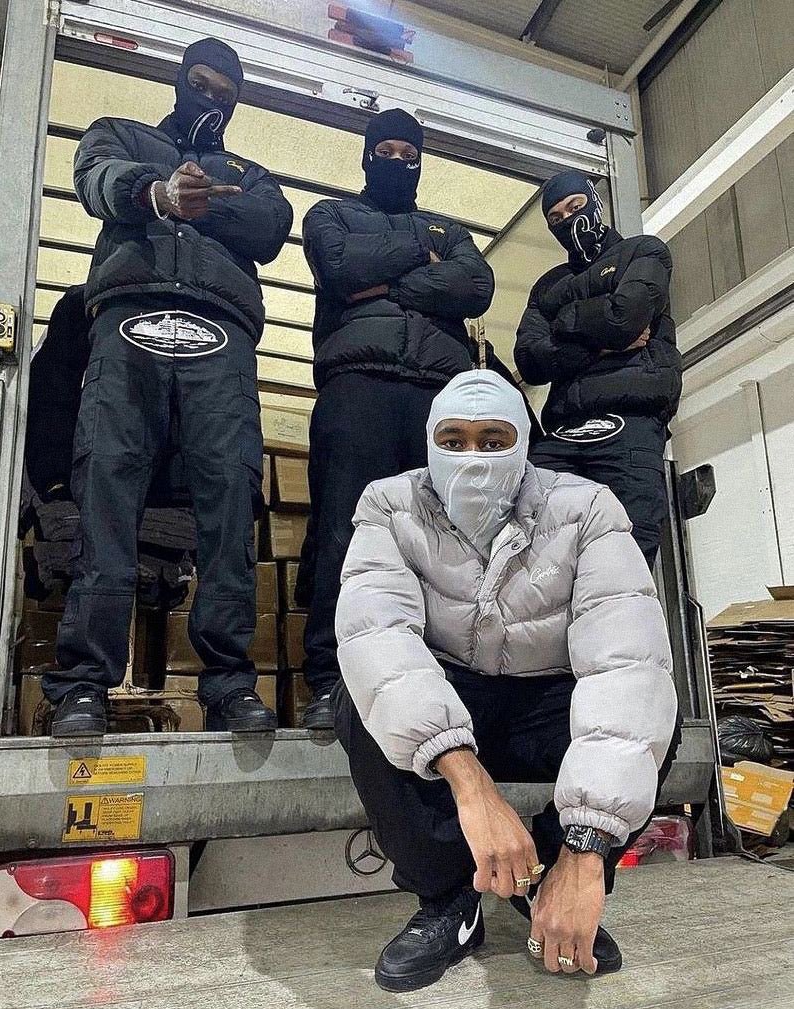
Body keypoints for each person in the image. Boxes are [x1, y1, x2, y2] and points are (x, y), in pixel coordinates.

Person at [333, 368, 679, 992]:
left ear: (523, 442)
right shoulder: (390, 505)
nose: (473, 457)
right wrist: (471, 787)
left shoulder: (587, 509)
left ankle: (547, 875)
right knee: (362, 703)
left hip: (544, 697)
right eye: (454, 440)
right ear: (430, 443)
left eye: (494, 440)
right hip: (453, 696)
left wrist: (586, 847)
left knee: (653, 713)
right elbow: (378, 637)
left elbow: (626, 663)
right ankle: (449, 899)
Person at [43, 38, 293, 736]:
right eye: (200, 84)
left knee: (230, 496)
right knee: (107, 487)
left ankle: (229, 684)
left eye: (225, 94)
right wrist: (154, 192)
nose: (211, 99)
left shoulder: (251, 173)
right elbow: (93, 177)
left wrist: (199, 202)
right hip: (129, 320)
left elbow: (272, 226)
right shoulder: (122, 135)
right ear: (179, 80)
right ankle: (82, 683)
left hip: (223, 333)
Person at [298, 108, 497, 730]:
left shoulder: (451, 230)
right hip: (357, 384)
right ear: (366, 156)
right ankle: (331, 679)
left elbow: (477, 287)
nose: (398, 163)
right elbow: (341, 269)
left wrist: (388, 283)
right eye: (386, 152)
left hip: (439, 397)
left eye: (410, 156)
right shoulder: (330, 215)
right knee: (345, 530)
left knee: (443, 538)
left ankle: (441, 675)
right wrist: (419, 254)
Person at [514, 169, 682, 567]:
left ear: (595, 203)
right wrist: (602, 345)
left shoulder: (645, 251)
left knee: (625, 556)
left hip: (632, 421)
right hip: (563, 431)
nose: (568, 220)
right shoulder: (546, 286)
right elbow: (531, 361)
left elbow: (625, 318)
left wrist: (564, 321)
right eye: (556, 218)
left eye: (575, 207)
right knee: (534, 548)